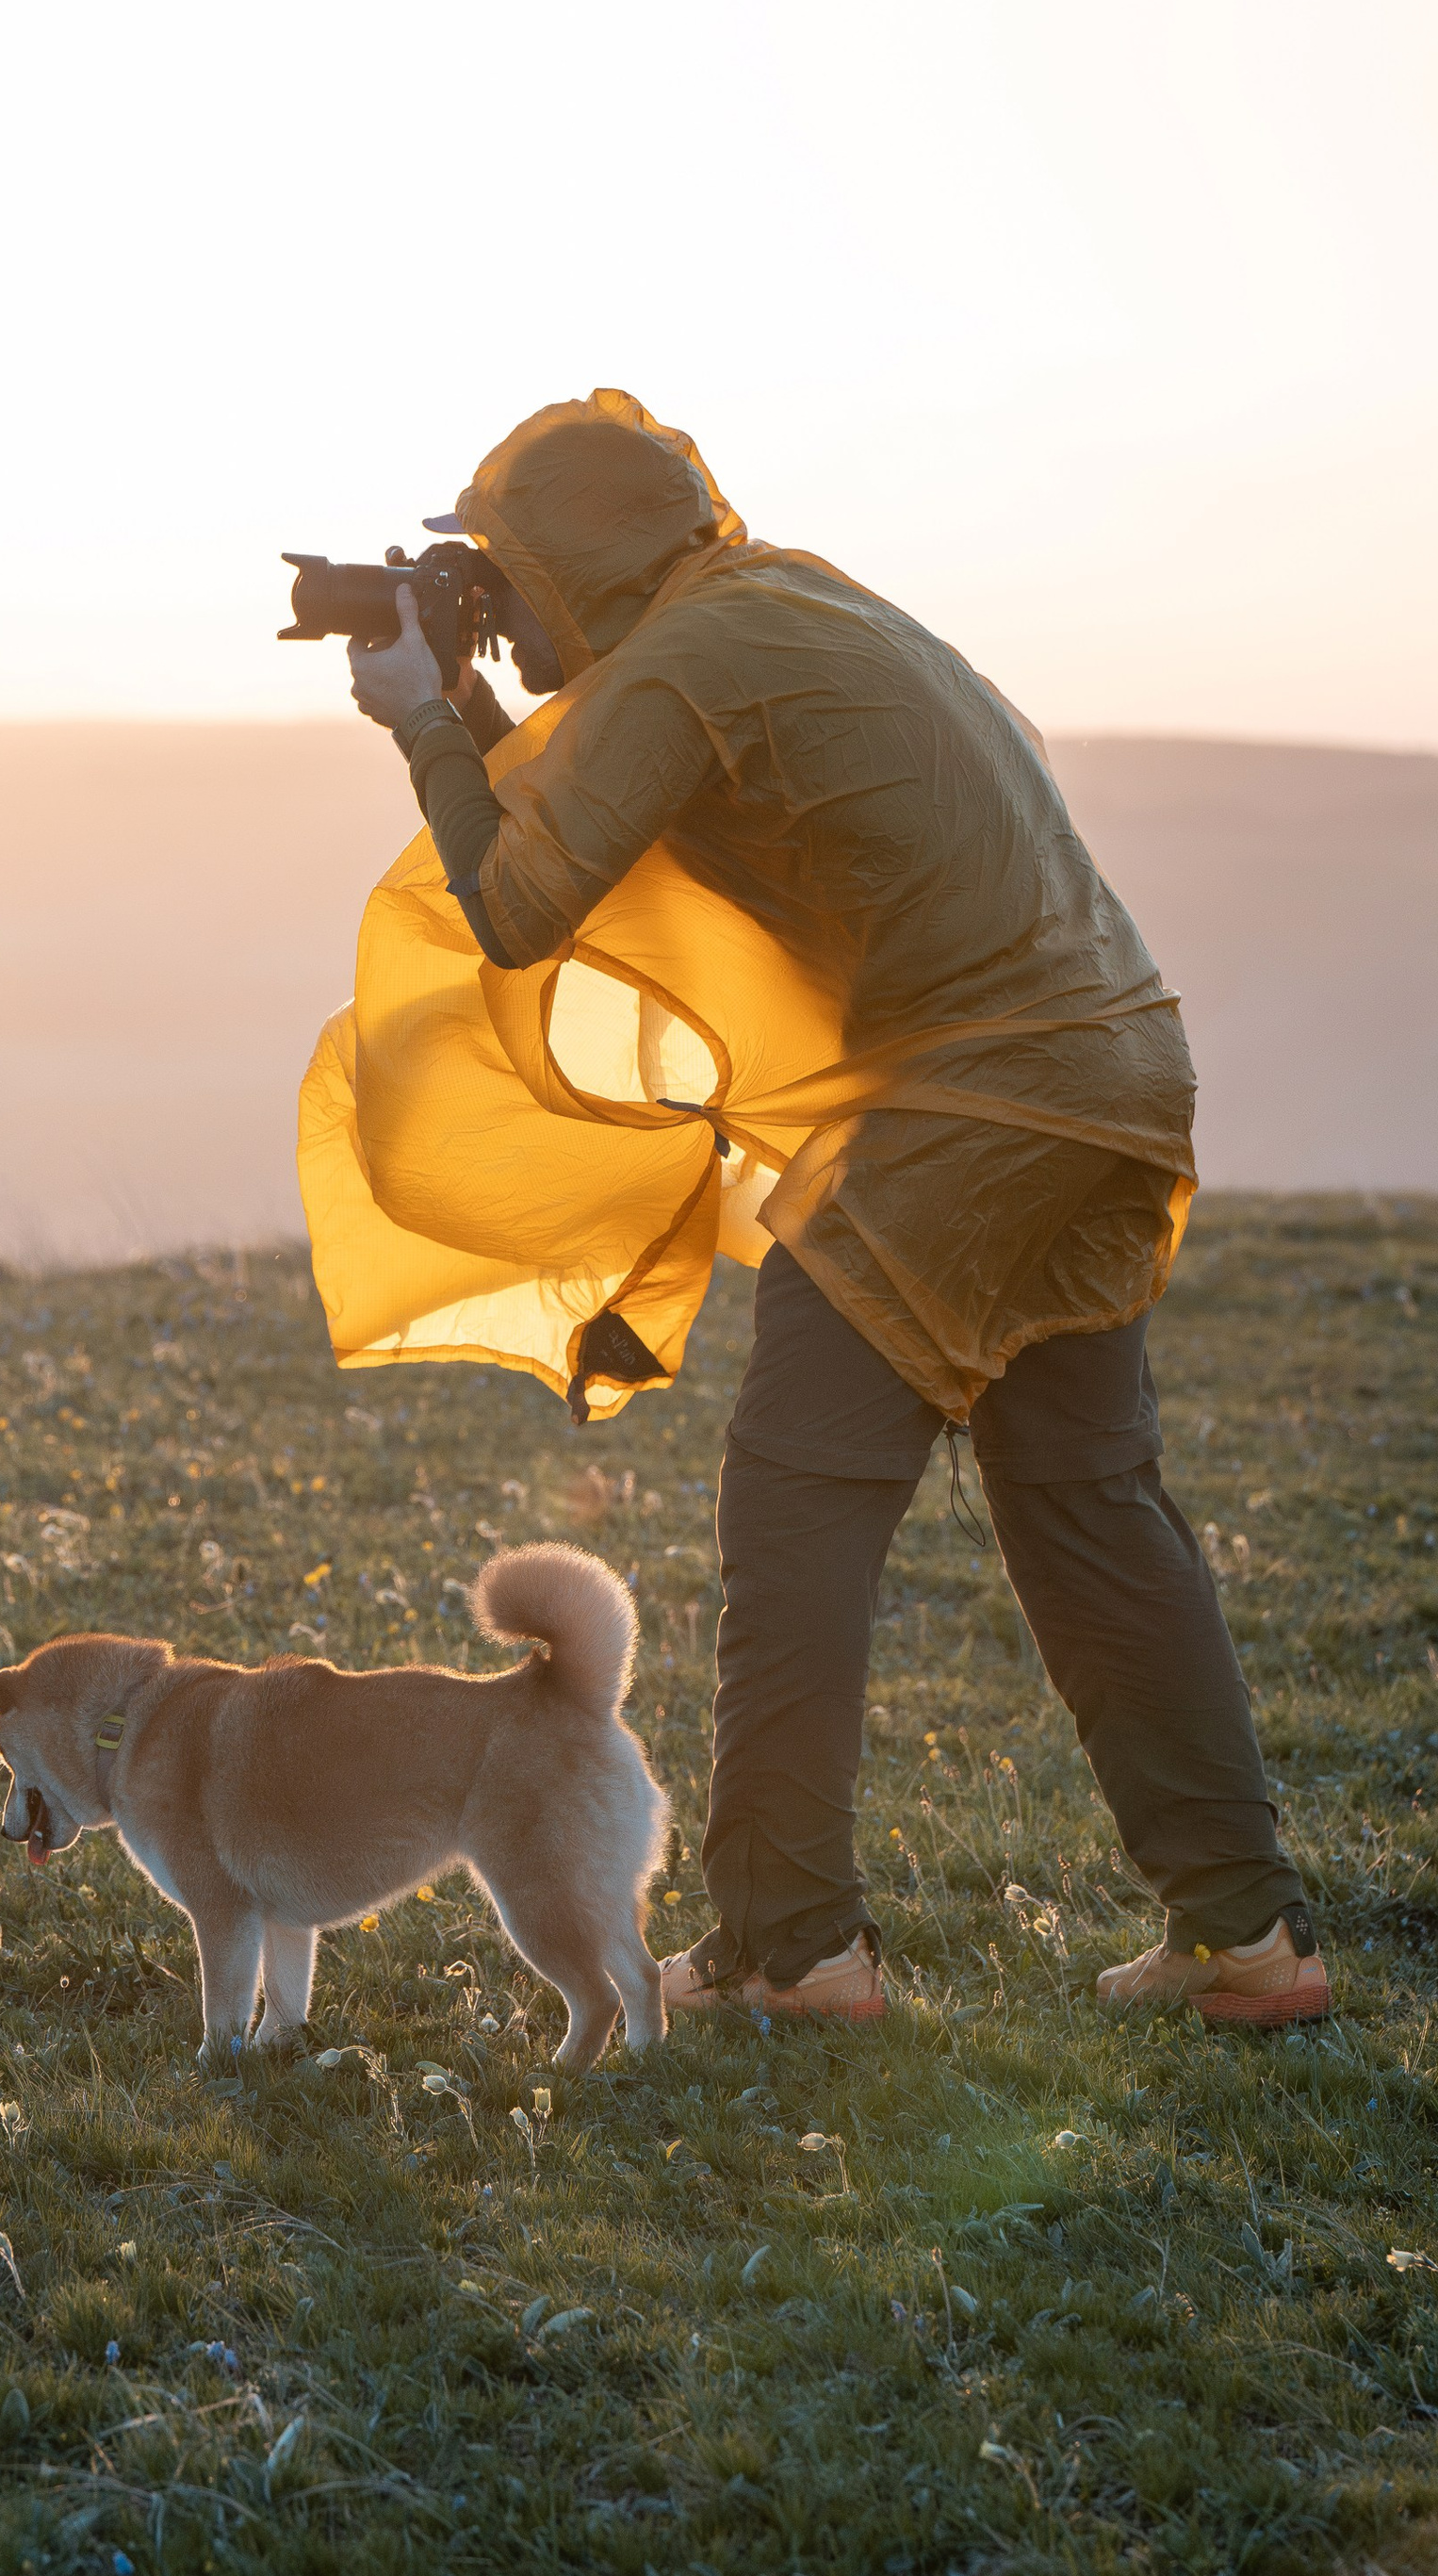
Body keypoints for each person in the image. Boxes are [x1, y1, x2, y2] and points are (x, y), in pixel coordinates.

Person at [335, 387, 1325, 2032]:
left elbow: (518, 905)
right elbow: (612, 793)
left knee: (795, 1506)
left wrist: (423, 722)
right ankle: (1251, 1938)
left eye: (505, 572)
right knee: (1091, 1512)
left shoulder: (683, 661)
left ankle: (790, 1951)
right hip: (1116, 1073)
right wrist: (478, 697)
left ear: (571, 562)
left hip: (964, 1109)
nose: (502, 604)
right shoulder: (786, 602)